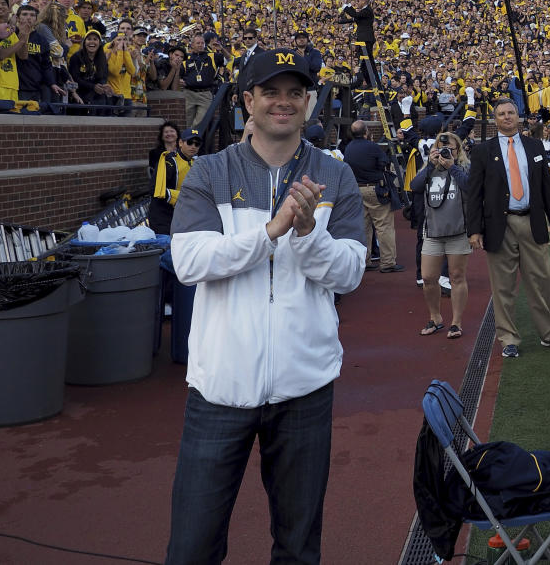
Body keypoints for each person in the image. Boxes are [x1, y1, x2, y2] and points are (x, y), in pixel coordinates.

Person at [165, 48, 366, 565]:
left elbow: (349, 271)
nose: (284, 102)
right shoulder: (209, 171)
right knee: (192, 545)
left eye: (295, 92)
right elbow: (189, 261)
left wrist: (305, 237)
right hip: (220, 387)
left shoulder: (334, 176)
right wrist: (270, 232)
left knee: (298, 546)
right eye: (271, 92)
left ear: (310, 102)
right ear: (247, 101)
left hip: (305, 386)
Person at [465, 96, 550, 358]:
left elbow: (546, 188)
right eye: (501, 114)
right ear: (495, 119)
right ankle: (508, 338)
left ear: (518, 116)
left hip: (533, 221)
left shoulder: (534, 146)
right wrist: (474, 230)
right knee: (503, 285)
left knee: (541, 280)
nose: (507, 117)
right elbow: (474, 194)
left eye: (511, 112)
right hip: (500, 224)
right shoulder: (483, 151)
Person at [410, 131, 471, 339]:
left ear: (458, 151)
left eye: (450, 149)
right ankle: (436, 318)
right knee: (428, 278)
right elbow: (414, 187)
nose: (445, 153)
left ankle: (456, 322)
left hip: (458, 231)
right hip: (433, 232)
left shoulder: (463, 168)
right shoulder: (429, 170)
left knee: (456, 277)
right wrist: (430, 164)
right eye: (442, 149)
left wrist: (451, 166)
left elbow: (471, 187)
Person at [342, 119, 402, 272]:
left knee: (364, 227)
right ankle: (388, 262)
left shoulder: (348, 148)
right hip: (375, 188)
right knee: (384, 226)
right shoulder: (372, 147)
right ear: (366, 131)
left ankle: (364, 259)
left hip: (357, 189)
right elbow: (383, 163)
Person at [147, 127, 202, 235]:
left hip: (183, 216)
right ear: (181, 143)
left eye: (197, 144)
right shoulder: (169, 160)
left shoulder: (197, 162)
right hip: (163, 217)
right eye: (190, 142)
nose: (193, 146)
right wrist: (184, 197)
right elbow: (155, 189)